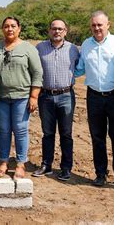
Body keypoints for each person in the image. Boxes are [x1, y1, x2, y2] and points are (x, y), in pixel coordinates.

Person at [75, 10, 114, 187]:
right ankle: (100, 173)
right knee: (97, 136)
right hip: (94, 96)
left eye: (100, 25)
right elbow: (79, 68)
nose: (97, 28)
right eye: (94, 25)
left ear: (108, 25)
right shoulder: (86, 44)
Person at [0, 17, 43, 180]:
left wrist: (34, 96)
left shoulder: (28, 48)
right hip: (1, 97)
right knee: (3, 130)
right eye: (6, 26)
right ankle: (3, 161)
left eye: (13, 26)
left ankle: (21, 164)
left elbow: (37, 73)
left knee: (20, 130)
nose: (10, 29)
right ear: (2, 29)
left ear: (19, 28)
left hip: (22, 97)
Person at [33, 19, 79, 181]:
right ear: (49, 30)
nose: (57, 31)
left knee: (66, 133)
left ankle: (66, 168)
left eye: (60, 29)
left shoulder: (73, 49)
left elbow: (79, 67)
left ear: (65, 31)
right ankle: (46, 165)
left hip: (66, 95)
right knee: (48, 133)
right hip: (45, 96)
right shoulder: (40, 48)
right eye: (54, 28)